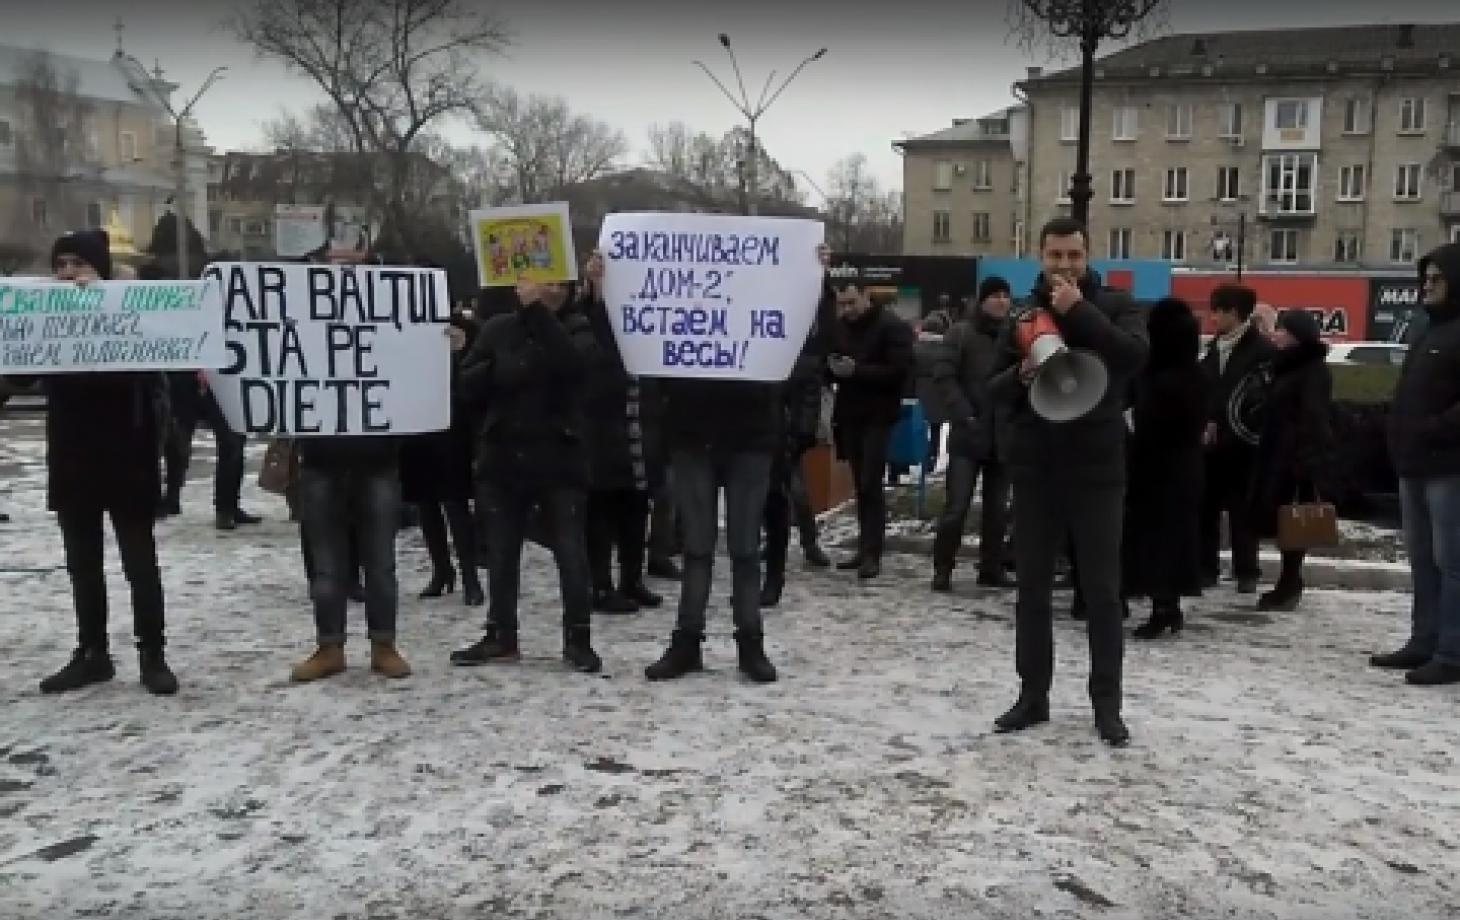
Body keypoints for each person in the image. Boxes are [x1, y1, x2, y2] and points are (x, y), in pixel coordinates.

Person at [987, 217, 1149, 746]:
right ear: (1040, 256)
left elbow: (1132, 357)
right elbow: (989, 388)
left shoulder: (1118, 304)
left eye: (1073, 256)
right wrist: (1020, 375)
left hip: (1098, 466)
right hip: (1037, 464)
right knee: (1032, 588)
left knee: (1102, 591)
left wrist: (1078, 311)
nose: (1063, 265)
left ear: (1088, 255)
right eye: (1054, 256)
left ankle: (1108, 705)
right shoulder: (1019, 313)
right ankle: (1032, 696)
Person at [643, 245, 828, 684]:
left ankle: (750, 642)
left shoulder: (765, 313)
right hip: (692, 436)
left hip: (749, 438)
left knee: (745, 549)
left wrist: (814, 280)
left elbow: (811, 341)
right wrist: (602, 287)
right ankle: (687, 641)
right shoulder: (676, 311)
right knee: (698, 548)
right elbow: (636, 342)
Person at [25, 230, 178, 695]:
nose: (67, 273)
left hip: (127, 456)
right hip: (73, 457)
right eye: (60, 264)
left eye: (78, 264)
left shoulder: (130, 312)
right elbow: (20, 373)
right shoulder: (46, 318)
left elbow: (154, 362)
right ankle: (92, 653)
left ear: (101, 270)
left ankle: (152, 654)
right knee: (82, 563)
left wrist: (103, 312)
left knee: (139, 562)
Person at [450, 277, 602, 673]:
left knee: (570, 552)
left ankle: (578, 637)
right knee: (501, 553)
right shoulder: (499, 328)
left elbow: (573, 367)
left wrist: (539, 316)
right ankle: (500, 633)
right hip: (503, 456)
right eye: (538, 285)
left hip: (559, 458)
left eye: (556, 286)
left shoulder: (577, 328)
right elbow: (467, 385)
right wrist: (494, 368)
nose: (546, 291)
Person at [1374, 242, 1460, 685]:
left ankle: (1451, 651)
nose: (1426, 287)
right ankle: (1423, 641)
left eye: (1436, 279)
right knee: (1422, 561)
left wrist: (1432, 427)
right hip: (1415, 465)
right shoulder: (1428, 331)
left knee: (1451, 563)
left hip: (1449, 467)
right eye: (1424, 279)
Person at [140, 257, 259, 531]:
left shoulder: (240, 308)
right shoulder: (185, 302)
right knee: (178, 441)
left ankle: (226, 506)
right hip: (185, 380)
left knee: (231, 442)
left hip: (224, 379)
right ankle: (170, 499)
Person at [579, 253, 663, 615]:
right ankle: (600, 585)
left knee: (636, 506)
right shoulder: (595, 318)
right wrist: (596, 288)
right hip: (603, 423)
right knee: (601, 509)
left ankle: (632, 578)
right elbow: (590, 324)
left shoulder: (652, 315)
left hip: (641, 420)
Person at [1123, 298, 1208, 638]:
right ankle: (1167, 604)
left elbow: (1147, 423)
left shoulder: (1159, 378)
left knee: (1155, 539)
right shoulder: (1195, 374)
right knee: (1175, 539)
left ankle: (1162, 607)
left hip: (1154, 469)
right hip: (1185, 468)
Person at [931, 276, 1015, 592]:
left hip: (1003, 435)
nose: (1001, 301)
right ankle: (943, 568)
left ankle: (990, 567)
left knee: (997, 510)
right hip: (969, 434)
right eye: (995, 295)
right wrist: (964, 414)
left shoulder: (1014, 337)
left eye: (1006, 295)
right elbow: (944, 376)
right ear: (982, 301)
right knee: (957, 507)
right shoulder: (961, 333)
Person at [828, 283, 915, 580]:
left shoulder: (891, 326)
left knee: (870, 482)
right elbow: (831, 360)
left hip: (879, 414)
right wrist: (833, 368)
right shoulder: (841, 327)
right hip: (850, 413)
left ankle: (872, 552)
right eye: (842, 304)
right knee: (860, 482)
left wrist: (857, 371)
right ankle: (865, 547)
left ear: (867, 296)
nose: (847, 310)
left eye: (852, 302)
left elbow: (900, 371)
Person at [761, 268, 837, 607]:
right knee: (771, 494)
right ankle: (788, 544)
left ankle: (806, 543)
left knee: (794, 493)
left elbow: (807, 398)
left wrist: (799, 437)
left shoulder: (806, 354)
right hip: (766, 432)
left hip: (788, 437)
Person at [1248, 309, 1333, 613]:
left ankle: (1290, 582)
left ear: (1297, 336)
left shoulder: (1312, 370)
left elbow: (1314, 418)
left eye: (1282, 331)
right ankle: (1287, 581)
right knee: (1281, 520)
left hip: (1294, 459)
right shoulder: (1286, 366)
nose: (1275, 335)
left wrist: (1306, 460)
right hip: (1277, 454)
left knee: (1293, 523)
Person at [399, 309, 484, 607]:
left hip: (451, 426)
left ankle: (470, 576)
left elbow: (474, 381)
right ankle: (441, 570)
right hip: (416, 424)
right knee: (426, 504)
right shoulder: (400, 325)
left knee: (455, 503)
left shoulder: (462, 327)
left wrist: (461, 350)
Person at [1199, 284, 1273, 593]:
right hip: (1211, 444)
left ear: (1234, 313)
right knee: (1205, 509)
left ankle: (1247, 571)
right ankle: (1206, 569)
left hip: (1245, 446)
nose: (1212, 317)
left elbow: (1261, 399)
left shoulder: (1262, 351)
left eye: (1217, 310)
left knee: (1243, 510)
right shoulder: (1211, 349)